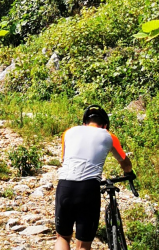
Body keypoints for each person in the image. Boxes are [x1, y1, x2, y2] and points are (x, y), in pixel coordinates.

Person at [54, 105, 134, 250]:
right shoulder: (108, 135)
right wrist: (129, 173)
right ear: (105, 125)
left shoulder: (69, 132)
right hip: (88, 189)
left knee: (62, 237)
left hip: (65, 185)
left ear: (84, 123)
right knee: (84, 245)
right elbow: (125, 163)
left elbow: (64, 159)